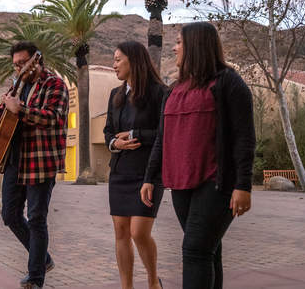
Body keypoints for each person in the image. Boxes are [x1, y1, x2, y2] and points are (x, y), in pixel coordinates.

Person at [141, 22, 255, 289]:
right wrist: (150, 177)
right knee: (208, 252)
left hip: (216, 182)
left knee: (194, 250)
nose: (174, 47)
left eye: (179, 42)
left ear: (196, 45)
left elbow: (244, 138)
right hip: (180, 184)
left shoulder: (228, 82)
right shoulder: (174, 90)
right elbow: (162, 138)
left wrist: (243, 185)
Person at [0, 41, 69, 289]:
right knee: (10, 216)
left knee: (36, 219)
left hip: (40, 161)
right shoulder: (16, 86)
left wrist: (20, 110)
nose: (19, 68)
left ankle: (35, 278)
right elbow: (1, 111)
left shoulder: (55, 84)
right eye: (16, 65)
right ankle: (43, 258)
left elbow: (53, 118)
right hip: (14, 160)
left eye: (23, 63)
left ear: (36, 60)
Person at [104, 41, 166, 289]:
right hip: (119, 171)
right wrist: (115, 144)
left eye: (118, 59)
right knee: (121, 232)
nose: (114, 64)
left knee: (138, 232)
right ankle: (126, 286)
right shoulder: (115, 95)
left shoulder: (160, 92)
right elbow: (109, 130)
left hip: (147, 172)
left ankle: (153, 282)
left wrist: (134, 134)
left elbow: (164, 135)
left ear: (134, 60)